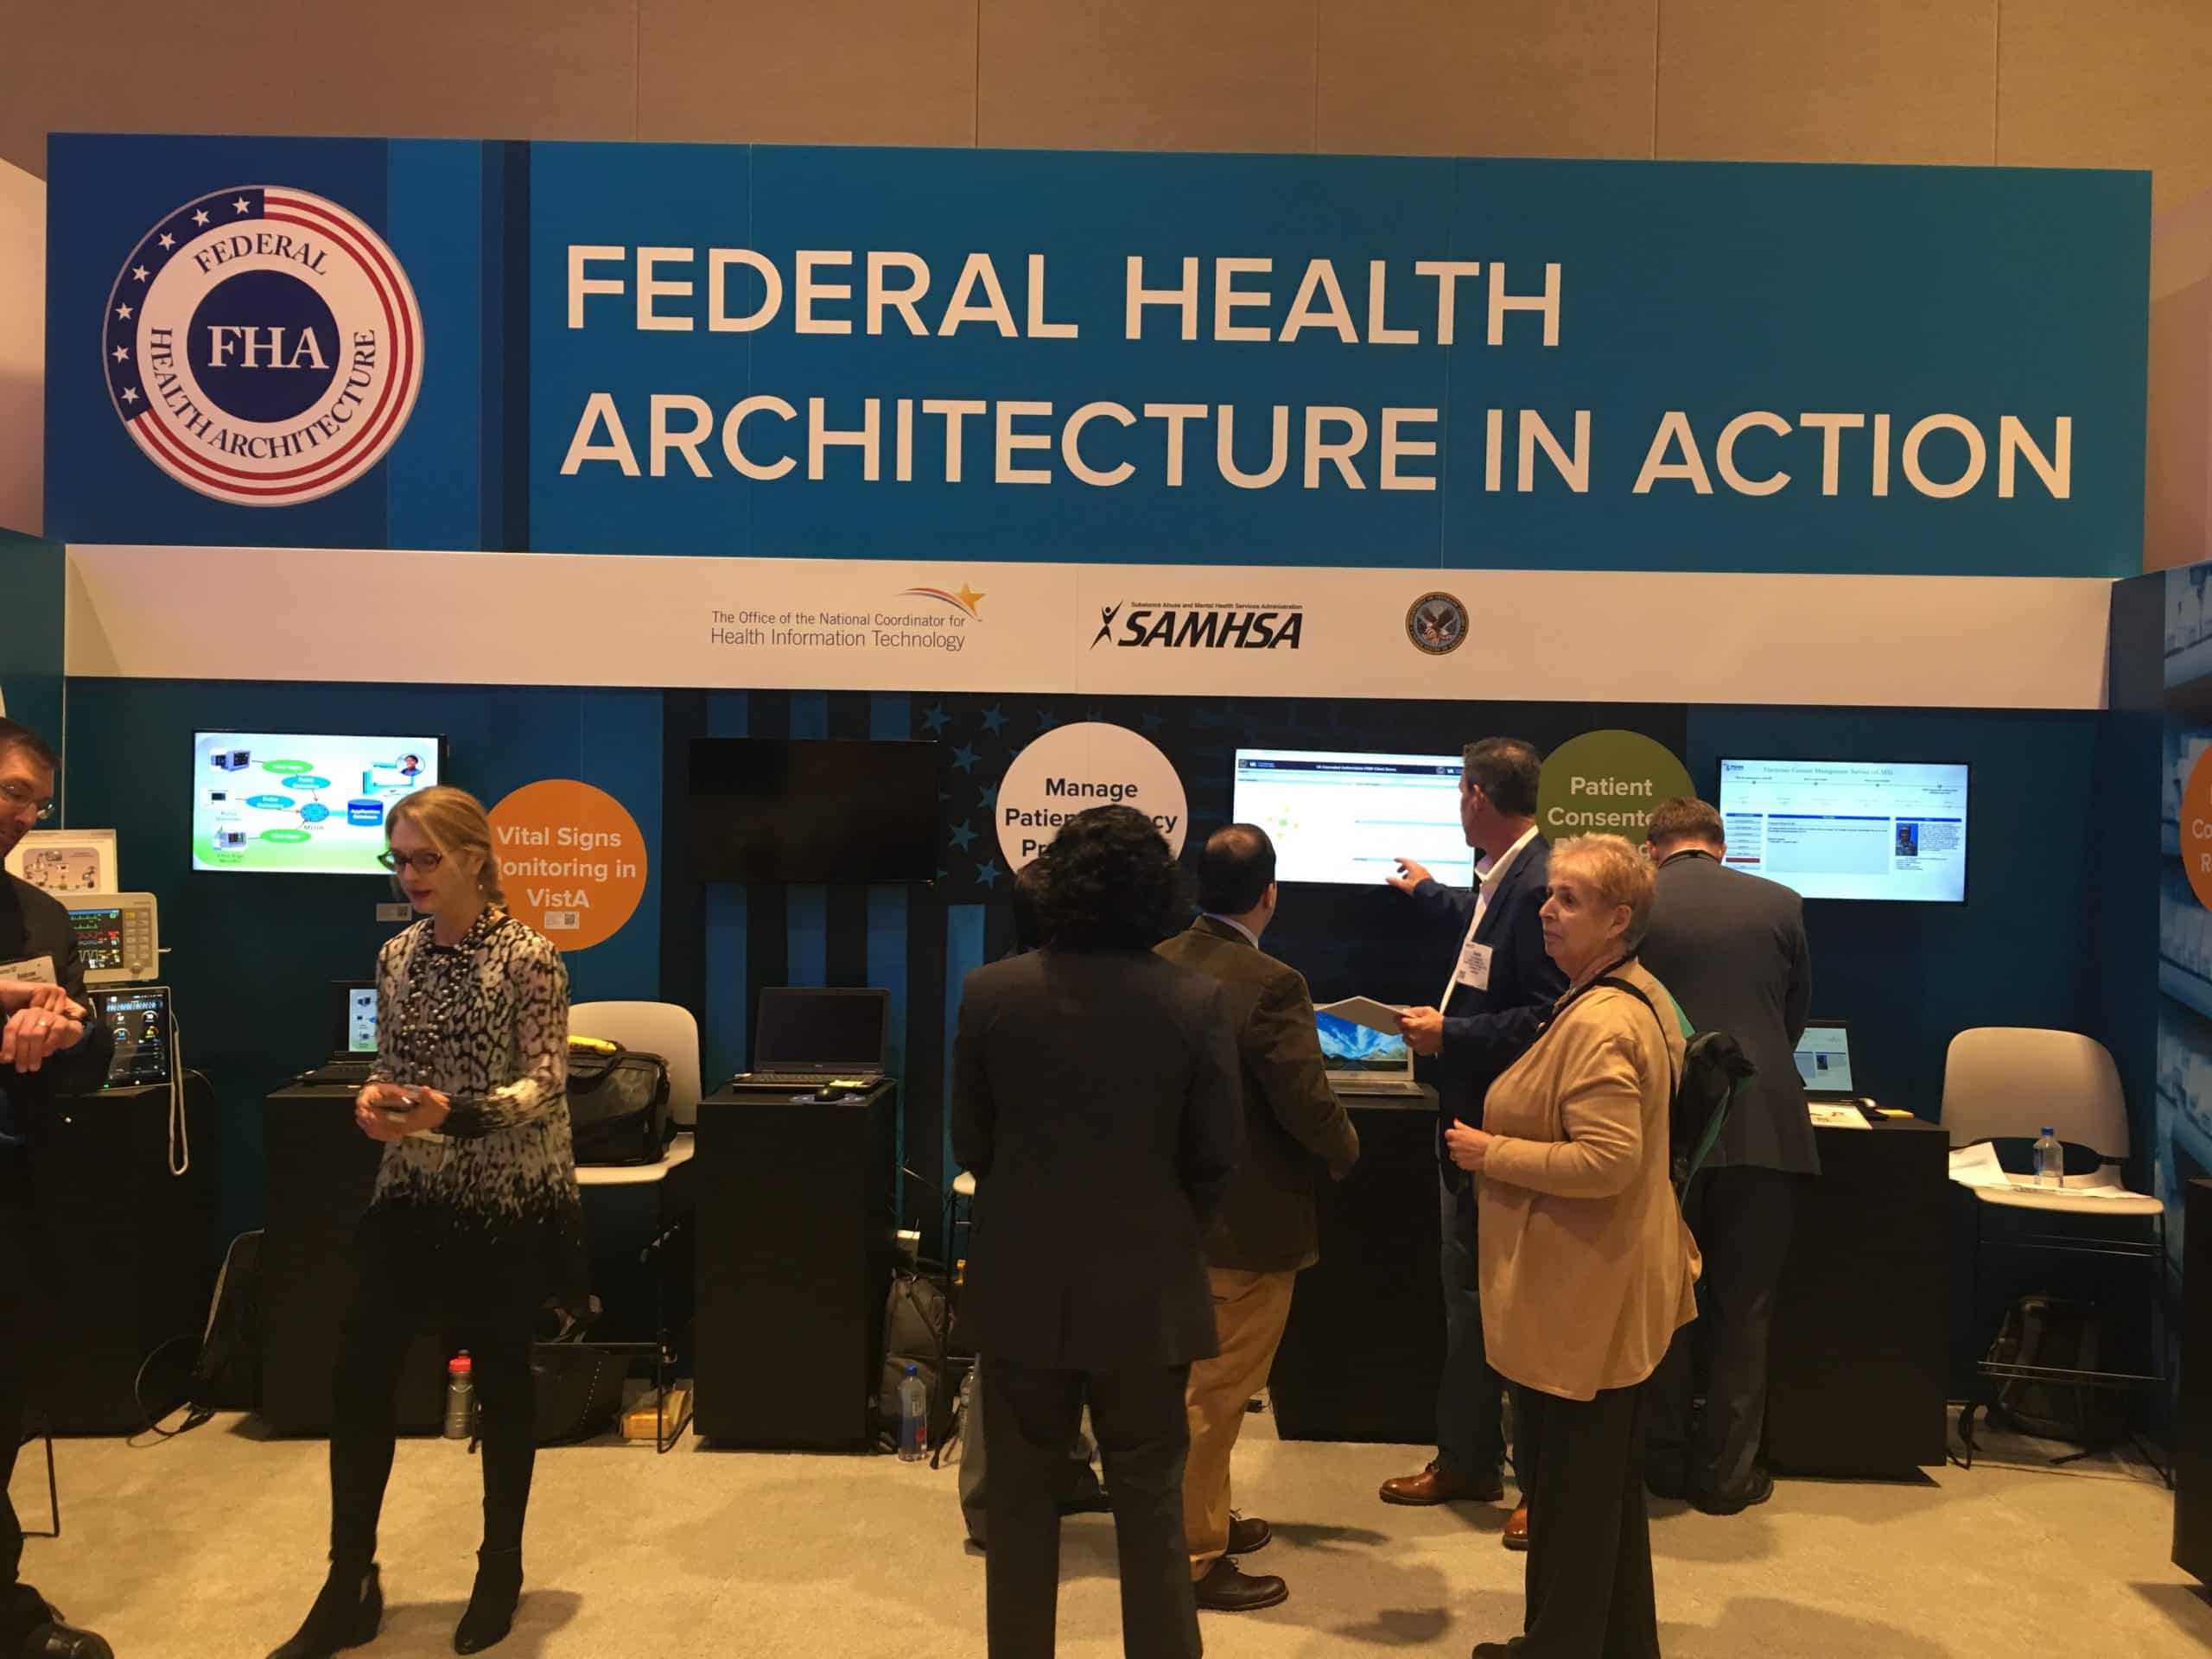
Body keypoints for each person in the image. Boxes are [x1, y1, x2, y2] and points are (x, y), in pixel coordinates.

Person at [270, 787, 582, 1659]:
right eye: (398, 859)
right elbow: (391, 1064)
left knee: (503, 1381)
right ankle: (348, 1581)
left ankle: (500, 1570)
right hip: (409, 1192)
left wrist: (453, 1114)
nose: (409, 875)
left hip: (505, 1198)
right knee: (359, 1378)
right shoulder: (396, 954)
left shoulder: (531, 958)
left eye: (425, 858)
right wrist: (375, 1099)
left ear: (474, 858)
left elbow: (546, 1083)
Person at [951, 805, 1241, 1659]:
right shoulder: (1196, 1000)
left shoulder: (990, 993)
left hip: (1021, 1283)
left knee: (1019, 1506)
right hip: (1149, 1290)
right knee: (1151, 1504)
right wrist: (1165, 1232)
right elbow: (1216, 1158)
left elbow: (971, 1145)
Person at [1444, 833, 1700, 1659]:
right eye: (1549, 895)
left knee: (1572, 1493)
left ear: (1619, 919)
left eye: (1570, 900)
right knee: (1596, 1491)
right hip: (1597, 1284)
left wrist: (1492, 1153)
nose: (1548, 911)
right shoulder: (1623, 994)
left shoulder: (1604, 1021)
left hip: (1585, 1295)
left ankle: (1558, 1646)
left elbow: (1607, 1160)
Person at [1156, 825, 1360, 1612]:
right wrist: (1346, 1149)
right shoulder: (1274, 984)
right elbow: (1306, 1100)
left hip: (1166, 1217)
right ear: (1270, 893)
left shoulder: (1157, 962)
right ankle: (1192, 1558)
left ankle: (1202, 1518)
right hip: (1242, 1227)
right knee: (1213, 1398)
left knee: (1192, 1387)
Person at [1379, 737, 1564, 1551]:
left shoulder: (1541, 882)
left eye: (1460, 790)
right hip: (1468, 1122)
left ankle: (1540, 1486)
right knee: (1468, 1304)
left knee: (1517, 1310)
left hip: (1507, 1129)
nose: (1457, 803)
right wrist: (1431, 894)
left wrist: (1448, 1034)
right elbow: (1487, 944)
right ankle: (1467, 1460)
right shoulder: (1503, 875)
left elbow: (1550, 1013)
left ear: (1479, 797)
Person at [1637, 797, 1815, 1514]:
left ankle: (1661, 1463)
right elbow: (1791, 1016)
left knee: (1667, 1300)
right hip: (1764, 1127)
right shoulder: (1782, 902)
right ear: (1722, 845)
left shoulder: (1636, 902)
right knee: (1747, 1308)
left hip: (1667, 1130)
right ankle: (1728, 1476)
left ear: (1652, 849)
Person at [0, 720, 116, 1659]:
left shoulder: (41, 917)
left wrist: (71, 1029)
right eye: (12, 791)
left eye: (36, 802)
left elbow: (96, 1045)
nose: (24, 815)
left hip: (16, 1193)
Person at [959, 856, 1110, 1548]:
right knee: (1036, 1358)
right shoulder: (1117, 995)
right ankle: (1001, 1502)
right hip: (1085, 1205)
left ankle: (1037, 1486)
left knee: (1019, 1357)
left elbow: (969, 1133)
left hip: (1016, 1205)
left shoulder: (988, 989)